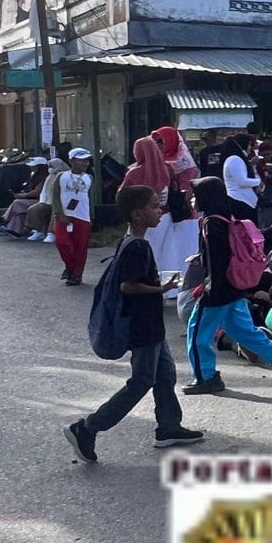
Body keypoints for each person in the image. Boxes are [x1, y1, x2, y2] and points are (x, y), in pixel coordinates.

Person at [63, 184, 202, 462]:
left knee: (166, 374)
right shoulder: (138, 246)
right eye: (154, 206)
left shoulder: (131, 240)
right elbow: (128, 286)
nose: (160, 211)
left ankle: (168, 426)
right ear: (138, 214)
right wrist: (161, 289)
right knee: (142, 381)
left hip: (150, 325)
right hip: (142, 327)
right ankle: (88, 428)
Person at [183, 177, 272, 394]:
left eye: (195, 196)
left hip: (217, 290)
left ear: (206, 197)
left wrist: (209, 290)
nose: (192, 200)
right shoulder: (226, 217)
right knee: (240, 329)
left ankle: (206, 377)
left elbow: (217, 261)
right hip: (234, 287)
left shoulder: (211, 223)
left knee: (197, 334)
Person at [120, 135, 193, 299]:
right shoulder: (166, 169)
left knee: (143, 252)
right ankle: (169, 289)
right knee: (166, 252)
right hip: (165, 217)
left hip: (141, 218)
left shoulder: (134, 172)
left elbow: (122, 194)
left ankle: (146, 286)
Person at [53, 147, 94, 287]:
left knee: (80, 248)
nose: (85, 163)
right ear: (71, 161)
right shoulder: (61, 176)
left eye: (87, 160)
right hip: (63, 216)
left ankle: (76, 275)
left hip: (82, 217)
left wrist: (91, 217)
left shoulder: (89, 178)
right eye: (81, 160)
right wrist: (59, 213)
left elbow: (90, 199)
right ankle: (70, 266)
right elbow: (55, 196)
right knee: (62, 243)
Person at [220, 134, 262, 222]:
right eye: (249, 145)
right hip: (239, 201)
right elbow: (242, 182)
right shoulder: (235, 159)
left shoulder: (238, 159)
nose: (250, 148)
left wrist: (253, 166)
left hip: (246, 202)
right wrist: (258, 182)